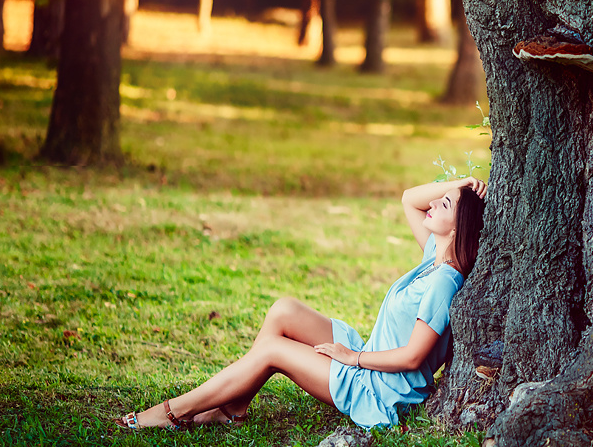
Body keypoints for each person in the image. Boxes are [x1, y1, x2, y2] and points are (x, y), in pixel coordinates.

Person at [117, 177, 487, 431]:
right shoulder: (431, 257)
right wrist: (462, 186)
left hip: (378, 390)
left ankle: (173, 412)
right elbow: (409, 197)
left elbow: (411, 358)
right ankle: (233, 408)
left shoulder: (443, 280)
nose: (435, 202)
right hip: (369, 359)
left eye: (446, 203)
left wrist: (350, 357)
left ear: (457, 227)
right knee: (284, 310)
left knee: (272, 351)